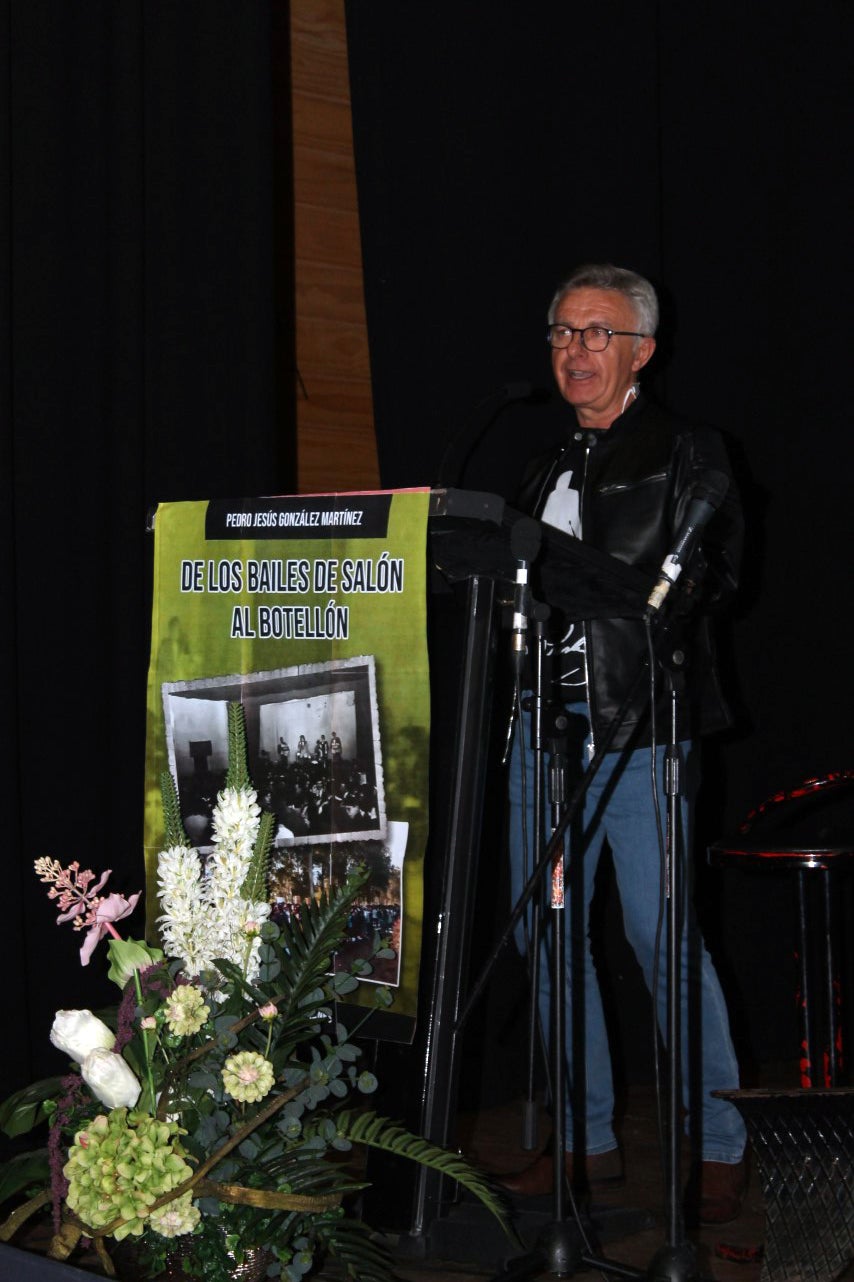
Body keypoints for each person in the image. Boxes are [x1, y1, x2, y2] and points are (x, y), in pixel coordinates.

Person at [499, 263, 747, 1225]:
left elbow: (713, 575)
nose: (575, 351)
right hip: (539, 740)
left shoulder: (688, 452)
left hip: (641, 736)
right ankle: (586, 1141)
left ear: (643, 349)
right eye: (562, 332)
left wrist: (638, 597)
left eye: (598, 333)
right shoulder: (542, 468)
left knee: (658, 939)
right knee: (547, 938)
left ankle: (720, 1145)